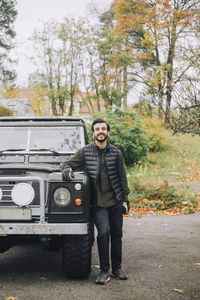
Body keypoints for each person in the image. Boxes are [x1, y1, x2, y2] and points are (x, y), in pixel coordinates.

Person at [62, 118, 130, 285]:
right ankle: (104, 271)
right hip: (97, 203)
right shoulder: (85, 151)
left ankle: (117, 269)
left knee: (117, 235)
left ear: (108, 132)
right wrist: (66, 170)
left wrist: (125, 199)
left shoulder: (116, 152)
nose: (100, 131)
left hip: (115, 201)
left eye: (103, 129)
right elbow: (68, 163)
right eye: (97, 129)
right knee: (103, 233)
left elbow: (122, 177)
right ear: (93, 133)